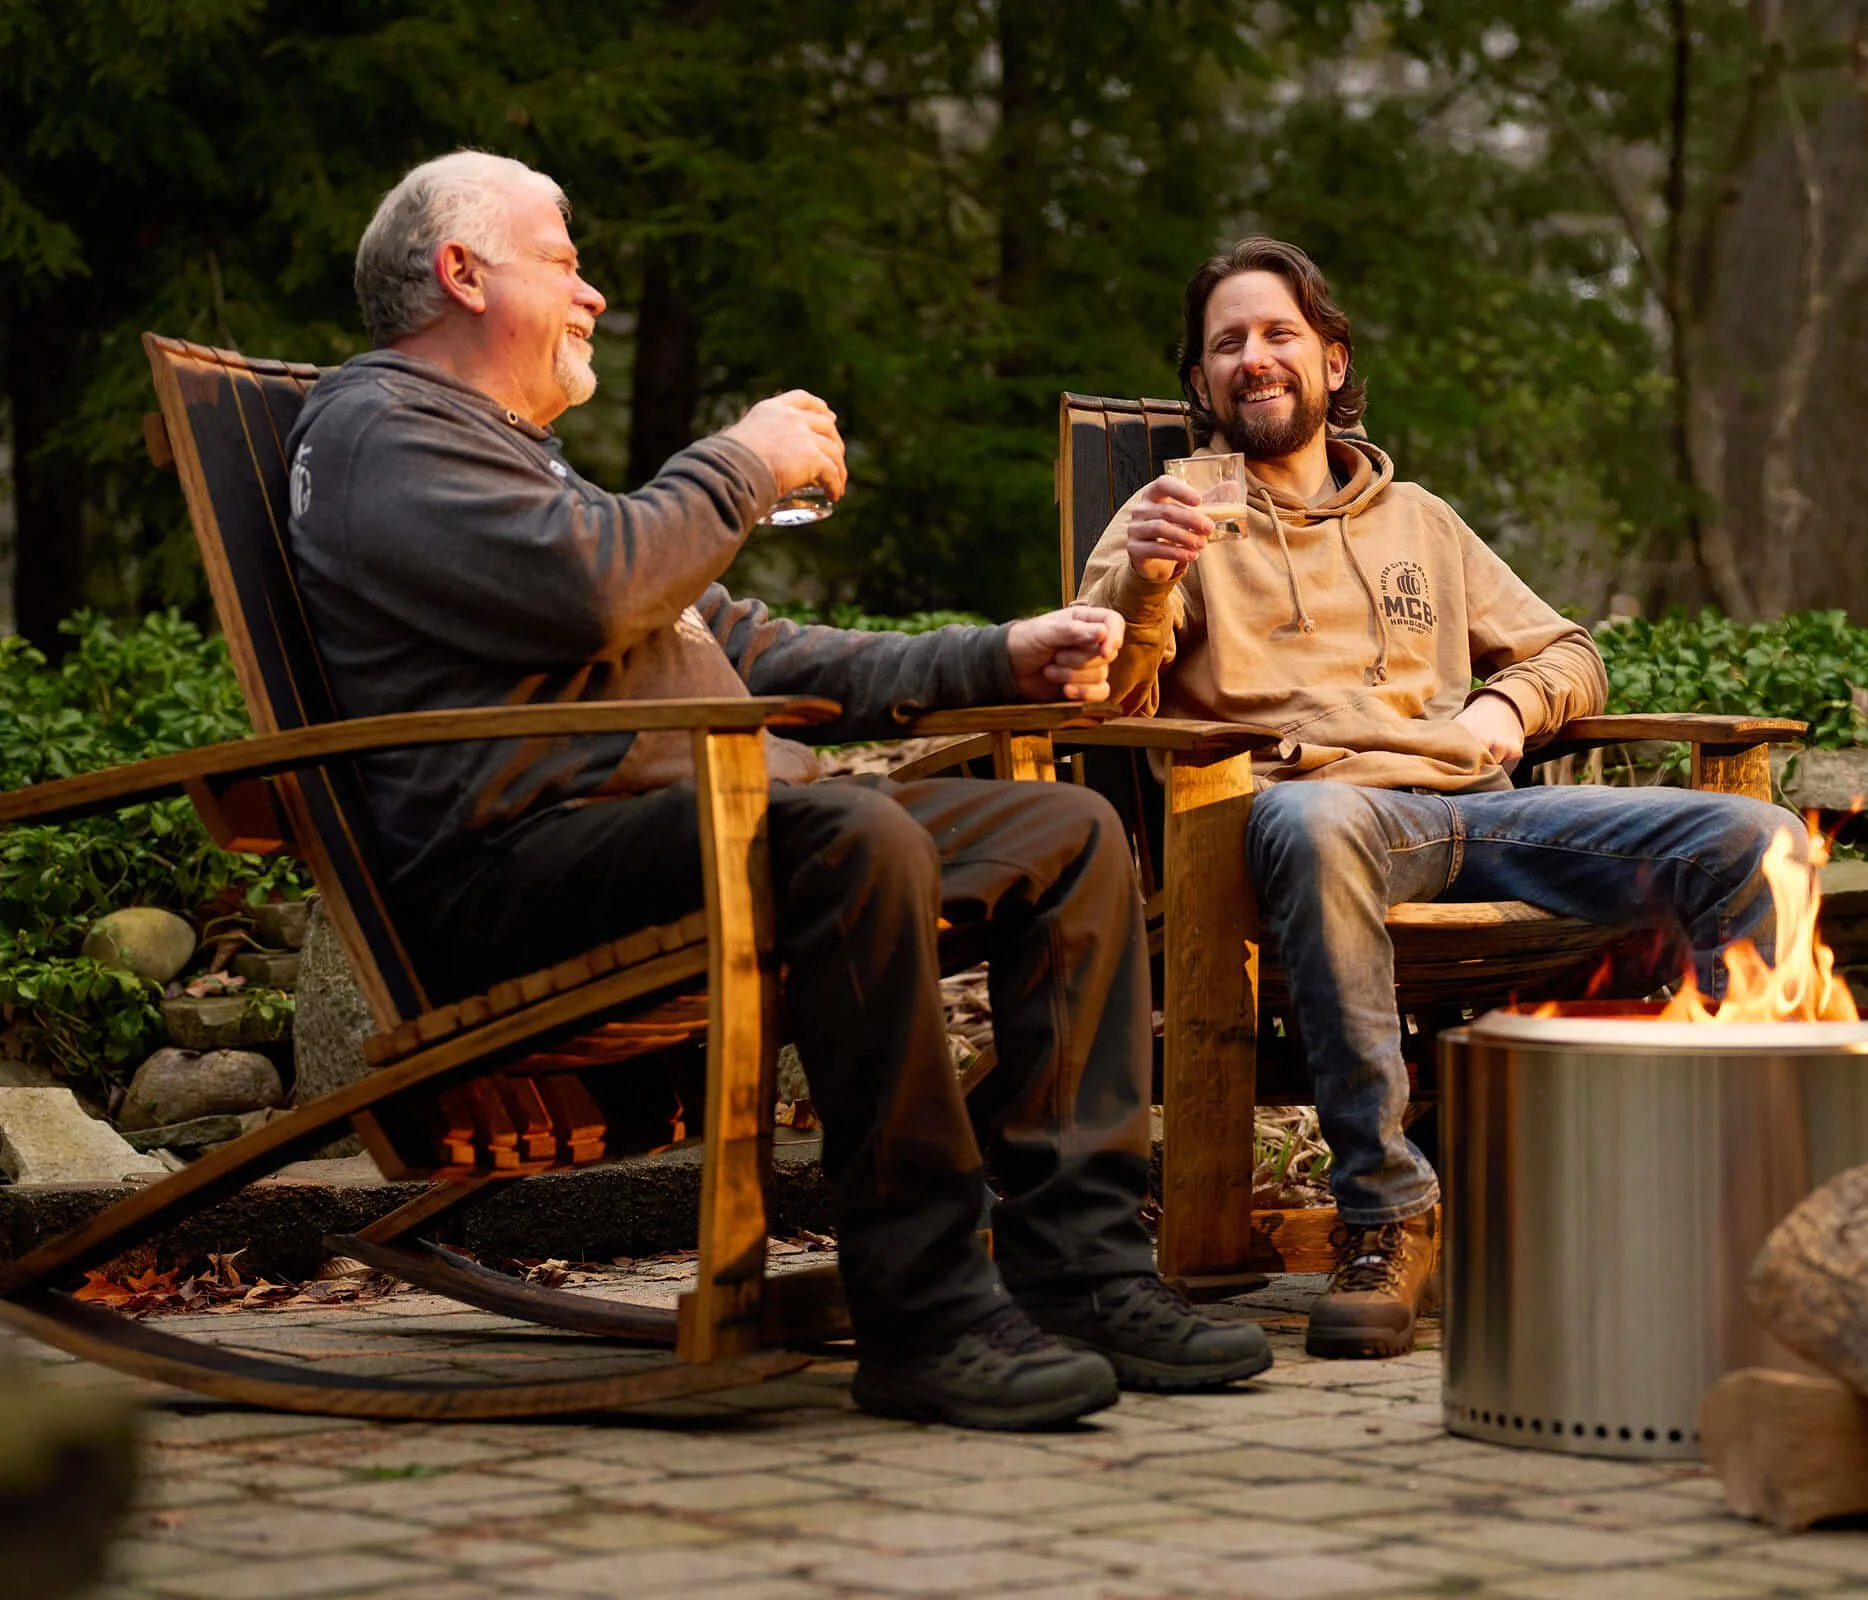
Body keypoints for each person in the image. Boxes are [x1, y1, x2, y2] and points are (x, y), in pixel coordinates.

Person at [286, 150, 1270, 1429]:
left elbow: (743, 646)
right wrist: (743, 460)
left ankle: (1081, 1268)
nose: (592, 296)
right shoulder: (381, 431)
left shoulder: (519, 462)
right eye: (567, 263)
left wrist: (998, 650)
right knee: (845, 834)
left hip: (682, 829)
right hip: (521, 866)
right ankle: (925, 1314)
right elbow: (600, 585)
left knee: (1067, 833)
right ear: (460, 272)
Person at [1078, 238, 1800, 1361]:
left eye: (1278, 334)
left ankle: (1713, 1198)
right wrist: (1148, 579)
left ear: (1331, 356)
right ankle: (1387, 1214)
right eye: (1228, 343)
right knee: (1317, 823)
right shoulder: (1165, 518)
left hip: (1481, 804)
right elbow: (1104, 695)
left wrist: (1501, 717)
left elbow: (1567, 651)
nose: (1254, 358)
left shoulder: (1421, 517)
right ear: (1202, 381)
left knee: (1754, 840)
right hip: (1318, 816)